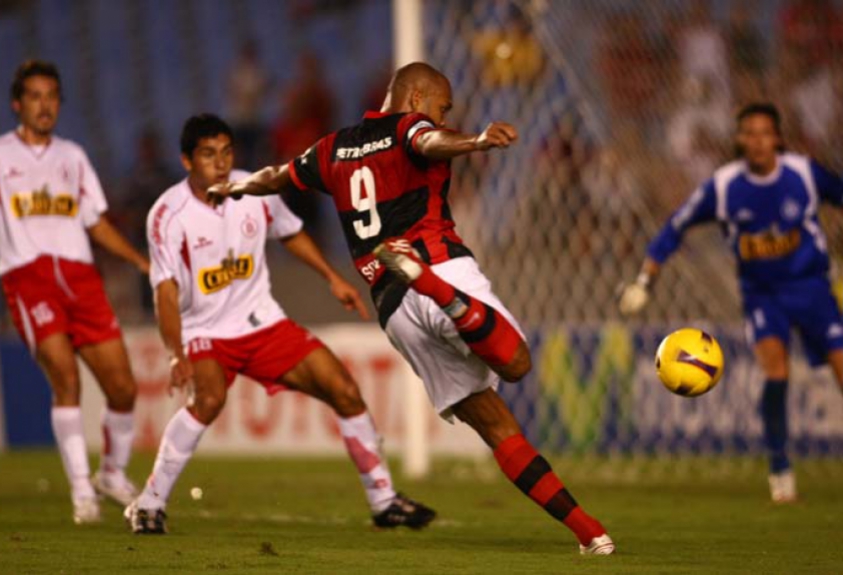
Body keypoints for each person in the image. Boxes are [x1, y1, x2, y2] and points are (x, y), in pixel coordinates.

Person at [209, 63, 614, 556]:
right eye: (442, 109)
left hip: (393, 309)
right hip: (436, 265)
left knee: (494, 425)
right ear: (417, 96)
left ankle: (589, 534)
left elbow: (277, 176)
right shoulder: (410, 126)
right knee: (516, 362)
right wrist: (476, 140)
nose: (444, 117)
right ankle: (436, 288)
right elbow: (426, 143)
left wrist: (234, 187)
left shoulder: (331, 147)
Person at [127, 114, 435, 534]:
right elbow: (164, 291)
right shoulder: (168, 214)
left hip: (264, 324)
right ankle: (149, 503)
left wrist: (332, 278)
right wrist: (174, 352)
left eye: (226, 152)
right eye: (207, 154)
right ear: (187, 162)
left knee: (343, 389)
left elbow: (290, 232)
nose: (219, 163)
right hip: (206, 332)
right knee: (209, 399)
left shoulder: (253, 189)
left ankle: (384, 501)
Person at [619, 103, 843, 503]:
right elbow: (675, 227)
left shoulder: (804, 174)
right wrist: (645, 280)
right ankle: (779, 469)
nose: (757, 141)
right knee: (776, 371)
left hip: (811, 287)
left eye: (764, 133)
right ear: (739, 140)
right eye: (749, 134)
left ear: (778, 138)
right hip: (762, 295)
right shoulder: (724, 186)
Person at [0, 60, 149, 523]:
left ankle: (111, 474)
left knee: (123, 386)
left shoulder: (72, 156)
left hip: (80, 278)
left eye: (52, 96)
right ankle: (81, 492)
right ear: (18, 104)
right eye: (35, 96)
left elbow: (94, 220)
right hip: (28, 278)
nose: (44, 105)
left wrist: (137, 259)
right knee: (66, 378)